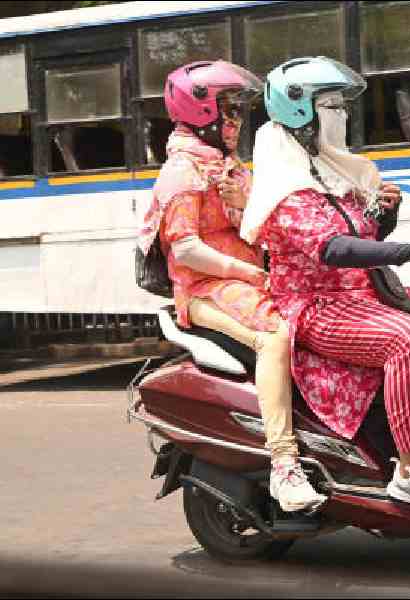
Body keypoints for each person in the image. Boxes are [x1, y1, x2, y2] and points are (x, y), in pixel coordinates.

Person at [241, 57, 410, 519]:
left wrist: (383, 216)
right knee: (407, 339)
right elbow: (335, 249)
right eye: (331, 106)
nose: (342, 116)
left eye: (340, 106)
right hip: (316, 308)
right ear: (302, 115)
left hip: (364, 294)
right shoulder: (285, 187)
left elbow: (363, 239)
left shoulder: (330, 170)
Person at [137, 60, 325, 513]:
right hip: (205, 288)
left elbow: (263, 224)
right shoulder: (183, 173)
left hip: (248, 277)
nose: (237, 121)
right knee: (275, 336)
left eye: (240, 111)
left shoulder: (230, 167)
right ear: (202, 113)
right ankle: (284, 464)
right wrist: (247, 272)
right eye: (230, 111)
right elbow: (185, 251)